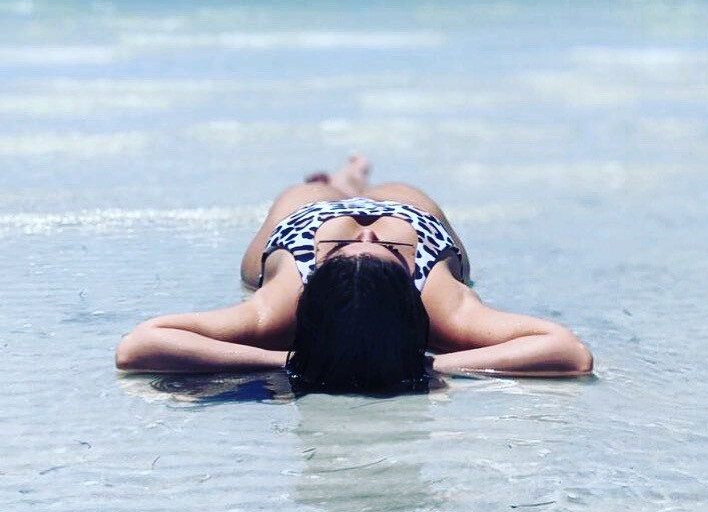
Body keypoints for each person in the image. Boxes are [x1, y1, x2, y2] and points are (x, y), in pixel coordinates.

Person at [116, 156, 592, 392]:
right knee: (375, 188)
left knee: (310, 191)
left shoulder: (276, 309)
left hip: (307, 226)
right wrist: (427, 365)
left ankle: (343, 182)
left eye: (373, 243)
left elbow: (140, 344)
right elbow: (567, 350)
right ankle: (349, 180)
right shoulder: (445, 308)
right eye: (386, 250)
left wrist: (288, 360)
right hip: (408, 218)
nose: (366, 231)